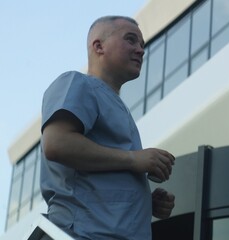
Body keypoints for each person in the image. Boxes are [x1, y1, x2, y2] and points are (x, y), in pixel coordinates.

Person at [40, 16, 176, 240]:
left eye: (142, 45)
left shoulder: (117, 106)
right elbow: (57, 143)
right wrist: (135, 159)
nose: (141, 50)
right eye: (131, 40)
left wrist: (144, 202)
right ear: (98, 46)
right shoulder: (77, 83)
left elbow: (93, 183)